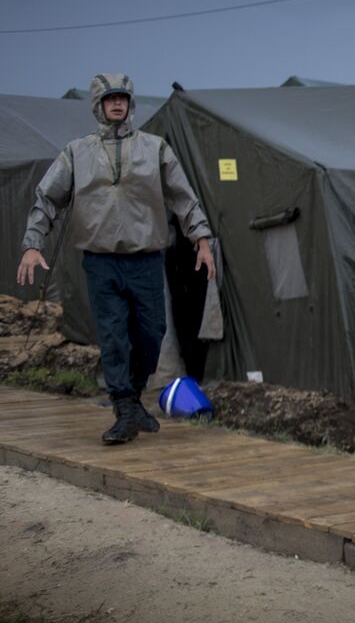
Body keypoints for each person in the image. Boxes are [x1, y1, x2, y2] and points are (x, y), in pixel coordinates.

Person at [17, 73, 215, 445]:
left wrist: (201, 237)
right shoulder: (77, 152)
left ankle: (133, 396)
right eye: (110, 99)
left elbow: (183, 197)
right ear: (98, 104)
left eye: (122, 97)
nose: (117, 104)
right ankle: (124, 408)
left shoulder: (155, 148)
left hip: (145, 259)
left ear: (130, 102)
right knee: (112, 336)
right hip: (101, 260)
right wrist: (32, 243)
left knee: (151, 332)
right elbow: (47, 197)